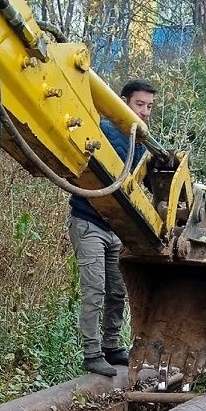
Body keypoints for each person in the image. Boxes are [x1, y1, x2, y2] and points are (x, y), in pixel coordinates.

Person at [69, 79, 157, 377]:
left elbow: (145, 182)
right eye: (139, 105)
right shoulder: (103, 131)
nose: (145, 112)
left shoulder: (142, 145)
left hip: (116, 228)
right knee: (94, 288)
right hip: (89, 222)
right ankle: (91, 353)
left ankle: (111, 346)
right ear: (122, 102)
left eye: (149, 107)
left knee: (117, 290)